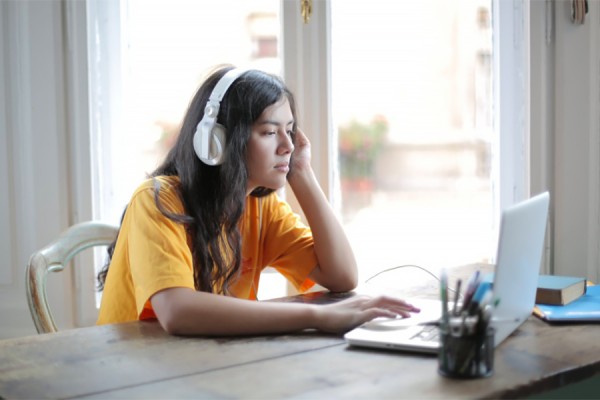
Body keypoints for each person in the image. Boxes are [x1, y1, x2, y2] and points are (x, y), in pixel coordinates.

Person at [96, 65, 420, 336]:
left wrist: (302, 175)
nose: (288, 146)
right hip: (130, 373)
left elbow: (341, 275)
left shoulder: (260, 206)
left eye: (290, 131)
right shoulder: (158, 200)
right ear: (216, 142)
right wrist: (315, 317)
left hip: (201, 365)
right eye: (269, 132)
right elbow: (178, 311)